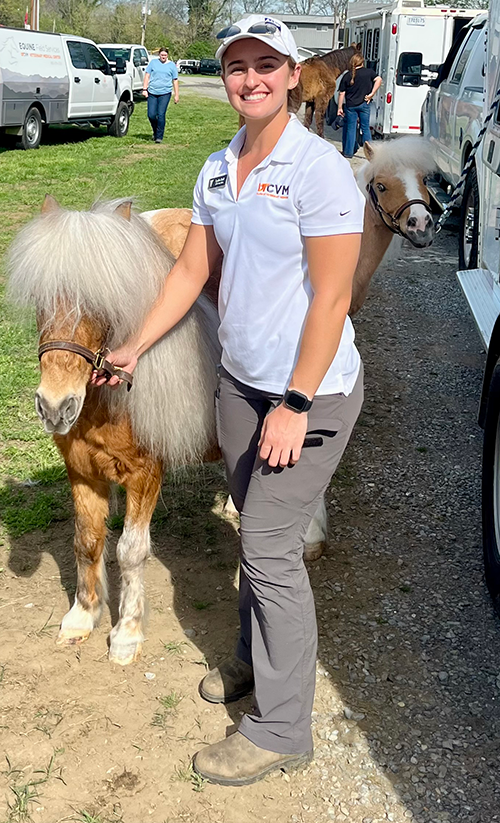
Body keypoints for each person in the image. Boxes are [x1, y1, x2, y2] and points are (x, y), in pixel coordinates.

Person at [93, 14, 365, 787]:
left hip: (308, 394)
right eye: (237, 66)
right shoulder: (218, 168)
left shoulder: (317, 170)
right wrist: (134, 344)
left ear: (291, 74)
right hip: (241, 386)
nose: (250, 78)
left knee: (271, 549)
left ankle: (282, 727)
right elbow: (189, 272)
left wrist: (297, 400)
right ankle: (256, 662)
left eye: (265, 65)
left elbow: (333, 294)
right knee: (255, 532)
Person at [338, 53, 382, 158]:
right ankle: (371, 153)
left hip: (350, 106)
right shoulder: (369, 73)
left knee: (351, 128)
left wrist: (339, 107)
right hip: (364, 104)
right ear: (362, 62)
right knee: (365, 128)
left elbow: (341, 93)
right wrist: (372, 94)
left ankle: (348, 153)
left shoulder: (347, 75)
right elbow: (379, 80)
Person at [142, 47, 179, 143]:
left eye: (165, 55)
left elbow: (175, 80)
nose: (163, 57)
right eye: (162, 55)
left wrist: (176, 95)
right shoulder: (153, 63)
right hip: (152, 92)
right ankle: (155, 131)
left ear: (167, 56)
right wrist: (144, 89)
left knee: (161, 114)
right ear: (159, 55)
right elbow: (147, 75)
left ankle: (159, 136)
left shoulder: (171, 65)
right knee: (151, 115)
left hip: (165, 93)